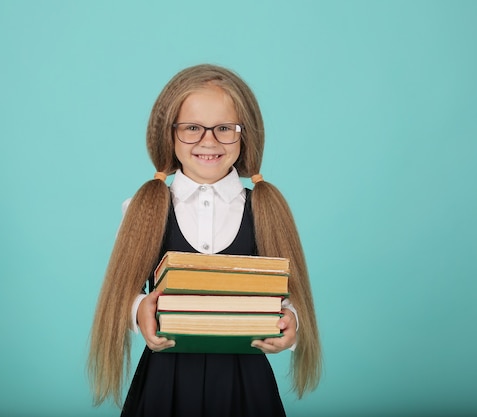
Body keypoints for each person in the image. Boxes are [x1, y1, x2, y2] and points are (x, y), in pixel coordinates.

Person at [88, 64, 322, 417]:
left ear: (245, 135)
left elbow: (290, 300)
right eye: (193, 128)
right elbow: (121, 295)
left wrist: (292, 323)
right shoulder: (143, 208)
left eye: (225, 128)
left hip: (246, 383)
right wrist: (140, 311)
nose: (208, 141)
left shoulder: (265, 208)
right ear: (169, 133)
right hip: (164, 381)